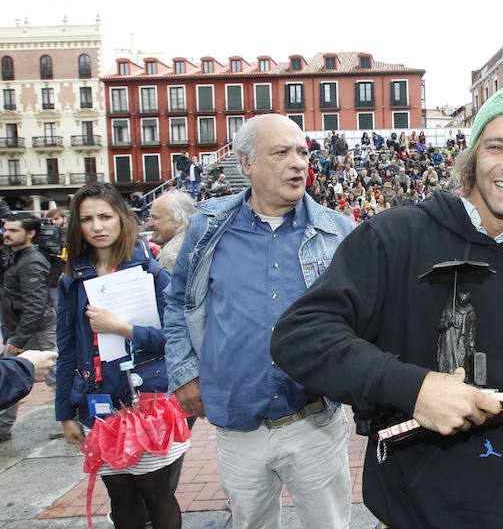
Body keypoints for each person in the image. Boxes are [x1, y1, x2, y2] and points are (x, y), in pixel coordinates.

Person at [272, 85, 503, 529]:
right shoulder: (393, 237)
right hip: (414, 509)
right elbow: (300, 337)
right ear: (471, 155)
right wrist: (414, 388)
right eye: (496, 146)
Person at [163, 114, 355, 529]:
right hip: (238, 422)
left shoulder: (339, 232)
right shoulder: (208, 227)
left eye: (303, 152)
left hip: (313, 419)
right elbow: (179, 302)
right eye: (282, 152)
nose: (299, 163)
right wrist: (184, 372)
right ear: (245, 163)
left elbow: (362, 317)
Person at [55, 182, 186, 528]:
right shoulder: (71, 280)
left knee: (157, 493)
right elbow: (67, 350)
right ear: (77, 225)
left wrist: (123, 328)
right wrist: (65, 413)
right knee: (119, 495)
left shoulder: (152, 272)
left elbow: (177, 337)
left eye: (105, 216)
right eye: (87, 219)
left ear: (121, 219)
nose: (97, 226)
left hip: (149, 401)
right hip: (98, 404)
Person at [0, 213, 58, 441]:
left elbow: (34, 304)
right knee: (11, 372)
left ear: (30, 233)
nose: (7, 234)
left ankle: (73, 419)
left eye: (14, 230)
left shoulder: (31, 261)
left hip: (35, 330)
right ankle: (3, 427)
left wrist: (18, 340)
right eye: (6, 229)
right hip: (21, 328)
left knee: (55, 376)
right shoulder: (16, 256)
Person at [147, 192, 195, 273]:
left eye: (155, 218)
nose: (149, 224)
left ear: (178, 220)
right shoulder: (197, 240)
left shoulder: (171, 256)